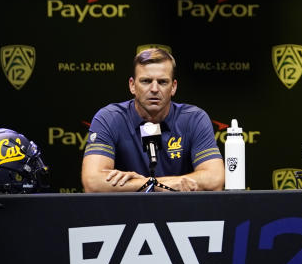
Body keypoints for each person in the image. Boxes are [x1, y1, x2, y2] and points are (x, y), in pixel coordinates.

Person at [81, 48, 224, 192]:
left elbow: (214, 180)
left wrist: (140, 183)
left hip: (180, 211)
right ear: (132, 85)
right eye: (146, 81)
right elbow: (92, 183)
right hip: (127, 212)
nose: (154, 89)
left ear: (173, 87)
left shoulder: (195, 119)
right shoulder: (109, 118)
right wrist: (156, 184)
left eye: (162, 82)